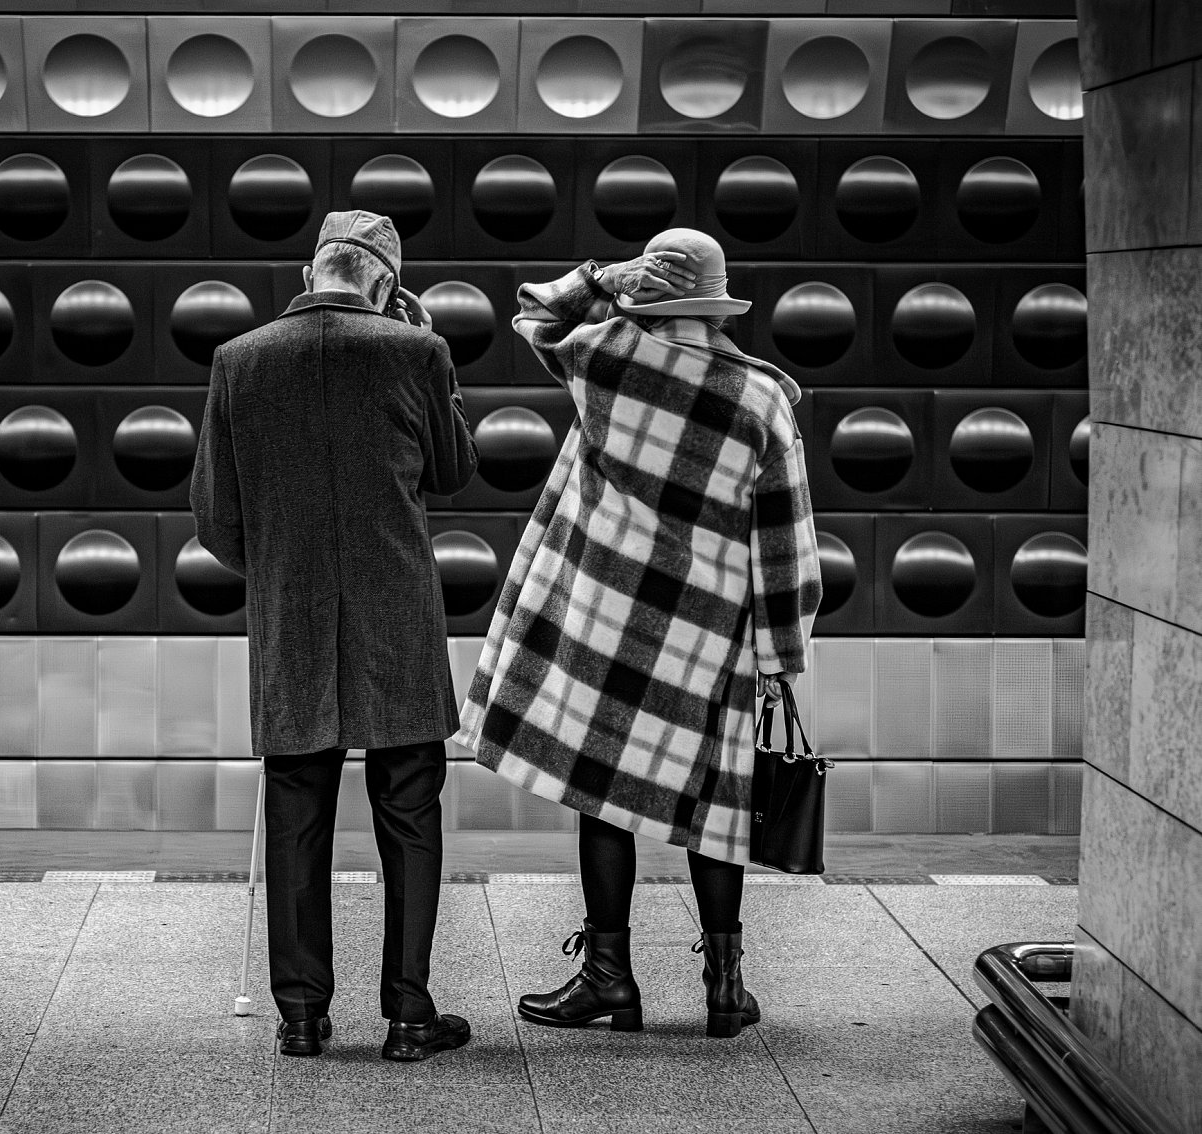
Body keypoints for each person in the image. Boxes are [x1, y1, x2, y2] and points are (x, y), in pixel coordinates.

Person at [453, 228, 822, 1039]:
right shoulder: (762, 400)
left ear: (649, 295)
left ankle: (609, 979)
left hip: (610, 625)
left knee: (603, 798)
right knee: (715, 809)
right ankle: (724, 988)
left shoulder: (608, 359)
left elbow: (538, 314)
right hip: (710, 637)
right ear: (717, 305)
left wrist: (605, 277)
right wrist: (781, 654)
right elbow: (784, 540)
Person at [190, 210, 480, 1062]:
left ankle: (301, 1017)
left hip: (294, 620)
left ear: (310, 271)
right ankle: (410, 1015)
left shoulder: (238, 360)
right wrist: (431, 350)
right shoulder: (416, 351)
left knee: (296, 811)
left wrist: (282, 569)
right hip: (400, 619)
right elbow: (454, 469)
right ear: (384, 284)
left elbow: (216, 516)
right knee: (410, 812)